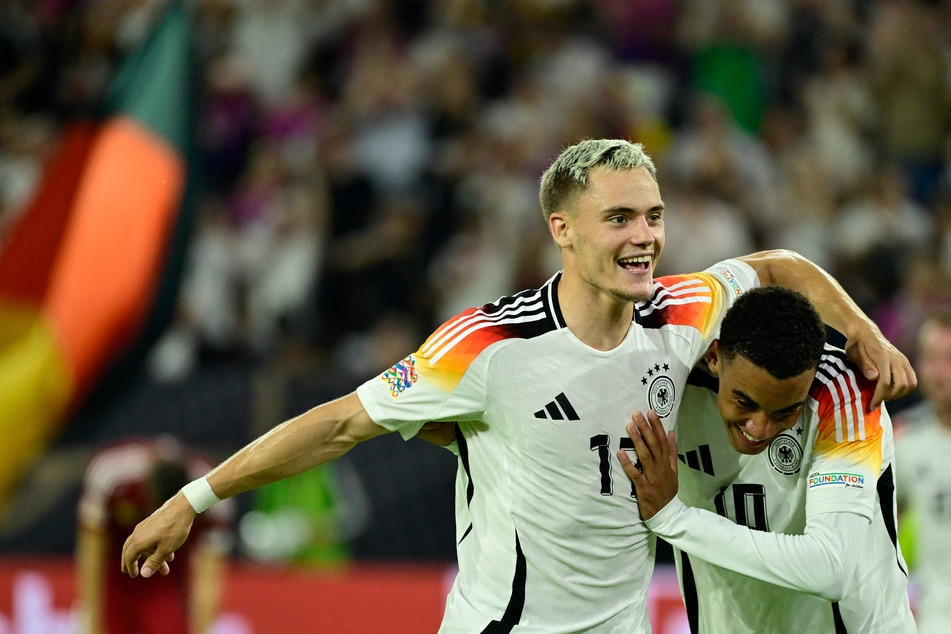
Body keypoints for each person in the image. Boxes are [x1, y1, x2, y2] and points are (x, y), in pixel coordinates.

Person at [121, 139, 914, 632]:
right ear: (560, 229)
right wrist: (193, 501)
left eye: (652, 216)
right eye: (619, 219)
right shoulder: (488, 344)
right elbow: (338, 424)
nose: (643, 237)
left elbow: (778, 268)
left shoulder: (686, 311)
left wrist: (865, 330)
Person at [620, 286, 916, 633]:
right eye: (744, 402)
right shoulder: (669, 381)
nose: (759, 428)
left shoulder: (844, 395)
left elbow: (829, 566)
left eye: (785, 411)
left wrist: (673, 518)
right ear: (714, 357)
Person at [76, 435, 234, 634]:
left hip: (170, 577)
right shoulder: (112, 474)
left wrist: (201, 628)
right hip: (116, 571)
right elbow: (92, 548)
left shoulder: (212, 497)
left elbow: (208, 572)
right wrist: (90, 613)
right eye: (154, 506)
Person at [895, 311, 951, 634]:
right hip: (933, 623)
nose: (939, 372)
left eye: (949, 359)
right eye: (930, 358)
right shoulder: (904, 443)